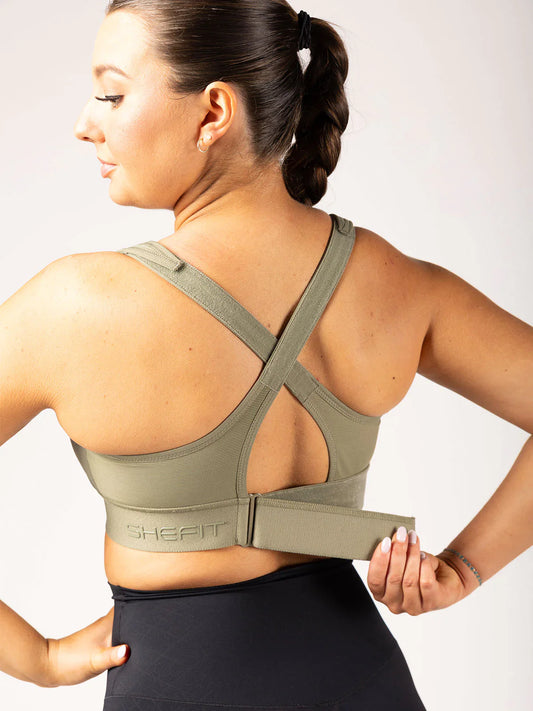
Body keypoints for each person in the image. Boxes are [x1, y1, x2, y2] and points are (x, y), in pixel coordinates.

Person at [0, 1, 531, 709]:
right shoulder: (392, 282)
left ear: (213, 111)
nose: (85, 124)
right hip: (364, 680)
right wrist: (463, 569)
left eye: (112, 94)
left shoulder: (74, 304)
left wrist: (37, 657)